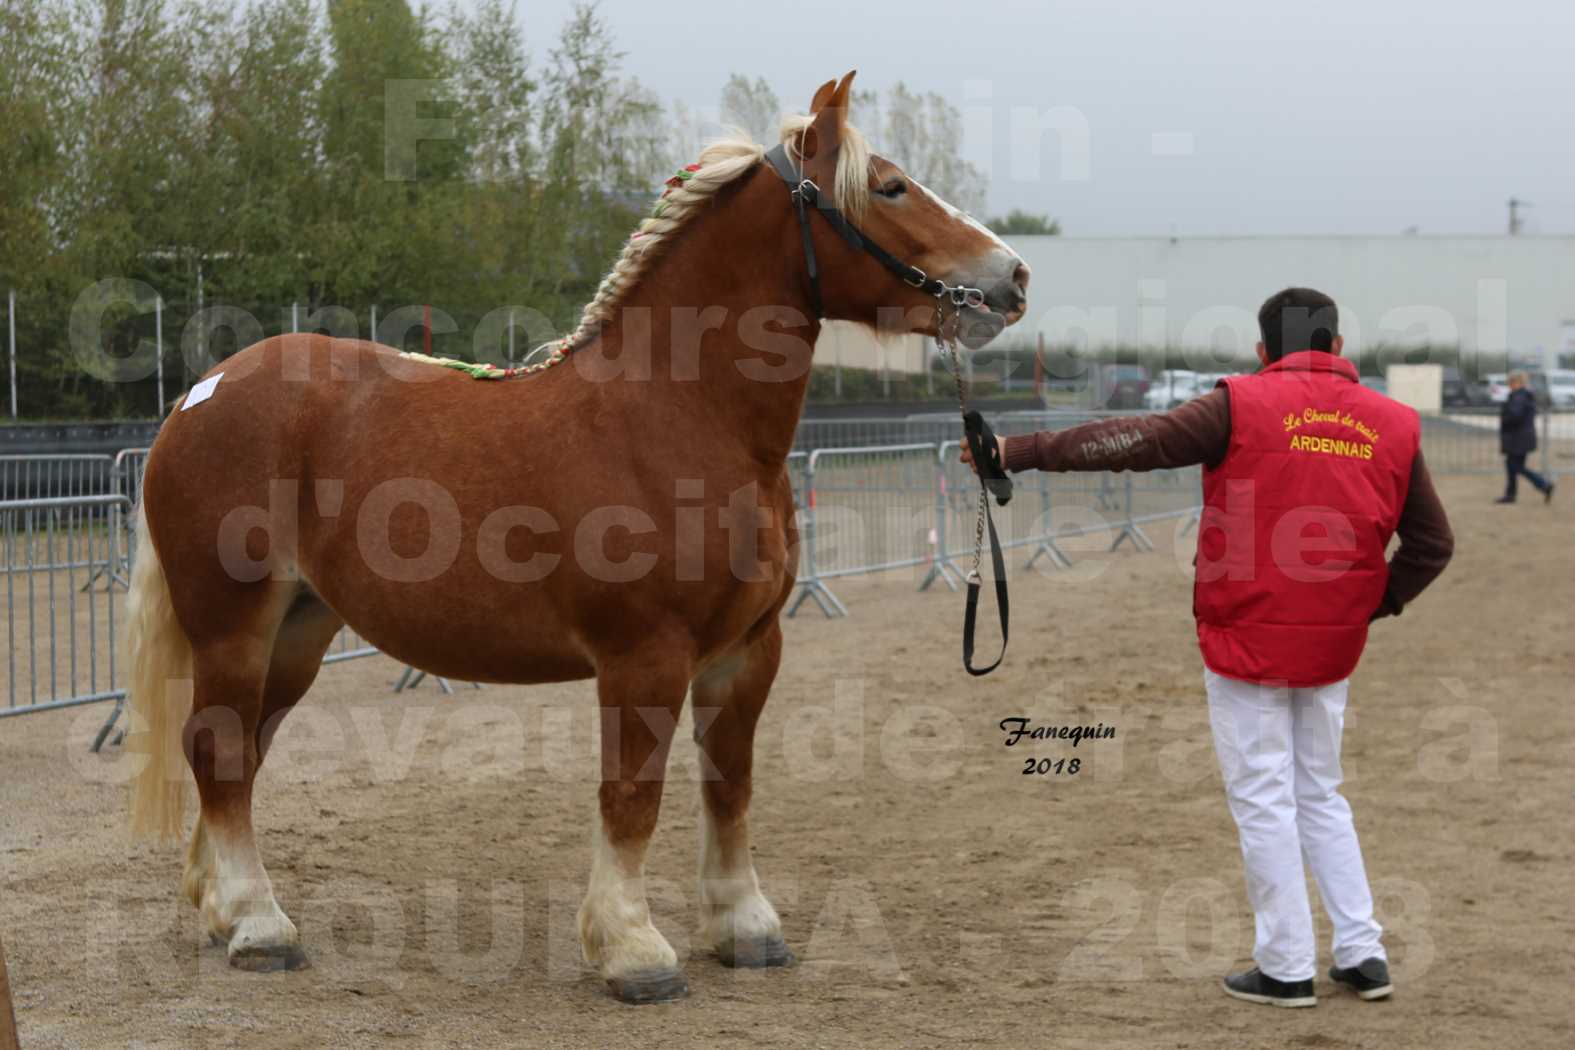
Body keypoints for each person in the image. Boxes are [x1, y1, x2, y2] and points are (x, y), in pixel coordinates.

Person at [966, 288, 1454, 1007]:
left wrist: (1018, 452)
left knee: (1262, 796)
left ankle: (1286, 966)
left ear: (1263, 351)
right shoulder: (1393, 422)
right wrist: (1365, 603)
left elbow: (1137, 440)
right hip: (1332, 644)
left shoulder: (1241, 402)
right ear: (1339, 346)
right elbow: (1432, 545)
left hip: (1245, 633)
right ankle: (1361, 950)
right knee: (1319, 792)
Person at [1496, 372, 1554, 504]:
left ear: (1517, 383)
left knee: (1516, 466)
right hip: (1520, 438)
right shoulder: (1522, 396)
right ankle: (1511, 494)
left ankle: (1544, 485)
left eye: (1511, 382)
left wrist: (1504, 418)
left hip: (1518, 439)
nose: (1509, 385)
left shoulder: (1519, 397)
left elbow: (1515, 415)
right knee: (1512, 466)